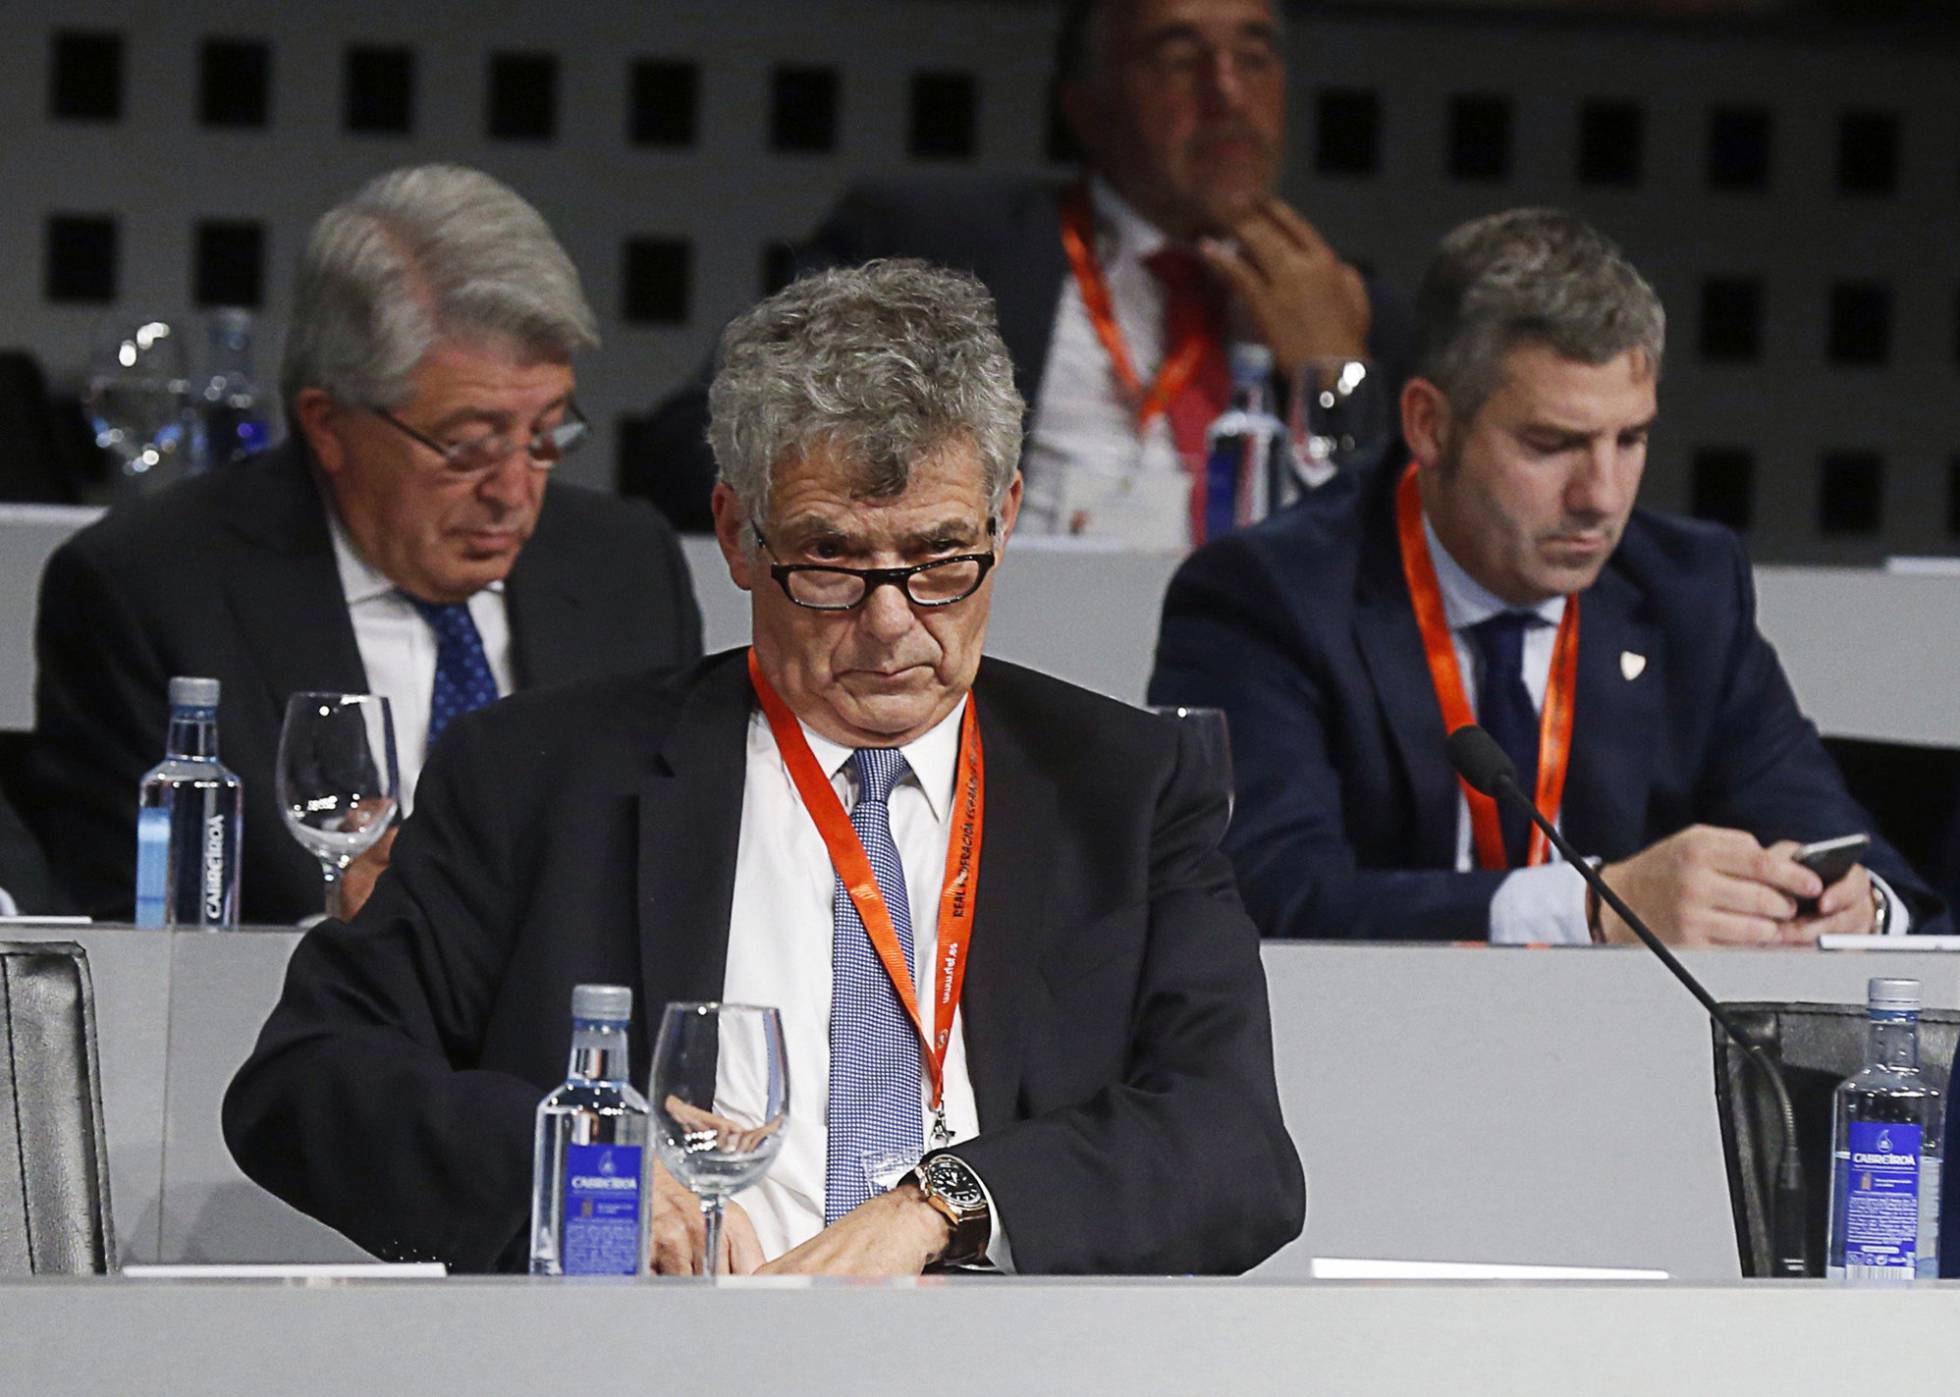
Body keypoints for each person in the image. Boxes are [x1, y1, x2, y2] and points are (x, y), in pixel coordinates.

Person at [223, 261, 1302, 1276]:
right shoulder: (540, 778)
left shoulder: (1120, 785)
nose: (891, 626)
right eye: (829, 560)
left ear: (1005, 516)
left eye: (940, 560)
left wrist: (941, 1206)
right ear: (738, 534)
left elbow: (1231, 1144)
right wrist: (582, 1167)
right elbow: (310, 1082)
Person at [1149, 208, 1948, 945]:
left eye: (1629, 439)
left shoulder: (1688, 590)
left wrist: (1858, 906)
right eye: (1551, 444)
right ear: (1429, 424)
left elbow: (1866, 862)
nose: (1600, 497)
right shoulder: (1266, 595)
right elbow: (1269, 896)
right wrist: (1598, 904)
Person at [25, 165, 702, 926]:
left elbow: (677, 884)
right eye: (468, 445)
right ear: (327, 423)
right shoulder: (145, 590)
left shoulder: (627, 568)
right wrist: (336, 940)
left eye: (546, 434)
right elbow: (130, 948)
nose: (515, 492)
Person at [633, 0, 1411, 545]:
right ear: (1086, 103)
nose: (1227, 92)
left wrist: (1337, 377)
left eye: (1255, 56)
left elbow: (1400, 564)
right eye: (1179, 58)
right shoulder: (931, 243)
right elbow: (692, 451)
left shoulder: (1354, 308)